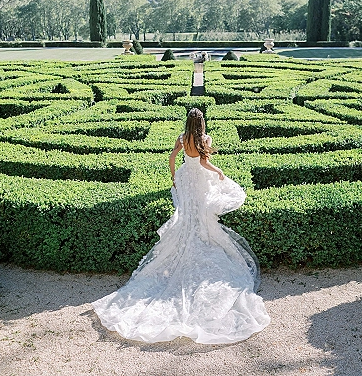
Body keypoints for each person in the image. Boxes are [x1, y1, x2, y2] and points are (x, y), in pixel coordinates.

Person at [92, 108, 270, 344]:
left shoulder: (181, 138)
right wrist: (219, 172)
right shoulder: (204, 139)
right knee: (202, 212)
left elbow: (172, 157)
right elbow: (205, 163)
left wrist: (175, 176)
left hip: (187, 179)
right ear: (202, 123)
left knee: (188, 214)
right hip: (199, 180)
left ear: (187, 122)